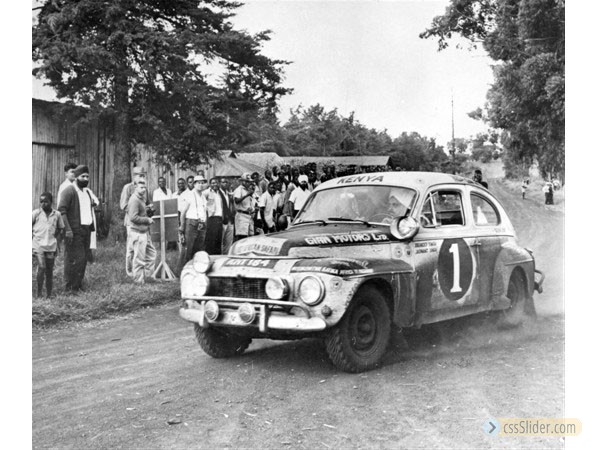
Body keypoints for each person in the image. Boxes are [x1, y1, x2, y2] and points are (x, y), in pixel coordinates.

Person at [58, 165, 95, 292]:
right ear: (76, 178)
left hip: (86, 231)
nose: (85, 179)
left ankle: (78, 286)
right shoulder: (69, 191)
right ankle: (70, 288)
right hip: (74, 231)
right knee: (73, 259)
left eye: (87, 177)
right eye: (82, 176)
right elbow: (61, 211)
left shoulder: (87, 192)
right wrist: (68, 230)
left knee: (83, 259)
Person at [33, 192, 64, 298]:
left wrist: (57, 241)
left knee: (49, 270)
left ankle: (49, 294)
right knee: (41, 267)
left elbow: (61, 228)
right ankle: (39, 293)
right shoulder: (36, 213)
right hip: (38, 245)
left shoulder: (57, 214)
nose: (43, 204)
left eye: (46, 201)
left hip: (51, 246)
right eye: (41, 201)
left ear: (51, 202)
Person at [120, 167, 150, 276]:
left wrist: (147, 209)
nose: (141, 177)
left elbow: (147, 203)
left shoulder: (145, 188)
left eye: (143, 175)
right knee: (131, 248)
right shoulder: (128, 187)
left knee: (142, 247)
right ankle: (129, 271)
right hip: (131, 222)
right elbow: (123, 205)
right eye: (139, 175)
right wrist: (134, 210)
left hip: (142, 222)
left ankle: (141, 270)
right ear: (134, 176)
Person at [127, 179, 157, 283]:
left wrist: (148, 209)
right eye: (141, 187)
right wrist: (147, 220)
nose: (144, 189)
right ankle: (138, 281)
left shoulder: (142, 198)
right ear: (135, 188)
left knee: (152, 254)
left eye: (145, 187)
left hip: (144, 232)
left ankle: (148, 277)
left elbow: (140, 213)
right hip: (138, 233)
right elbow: (133, 217)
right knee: (139, 259)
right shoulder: (134, 200)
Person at [178, 174, 208, 273]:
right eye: (198, 183)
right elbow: (183, 213)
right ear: (194, 184)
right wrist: (182, 226)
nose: (200, 185)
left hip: (201, 224)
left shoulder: (203, 196)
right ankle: (183, 271)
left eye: (202, 183)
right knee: (188, 249)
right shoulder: (190, 195)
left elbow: (204, 211)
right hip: (191, 223)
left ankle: (195, 271)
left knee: (199, 249)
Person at [204, 178, 226, 254]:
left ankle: (217, 257)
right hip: (212, 218)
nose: (215, 184)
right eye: (213, 183)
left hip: (219, 219)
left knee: (218, 240)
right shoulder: (207, 192)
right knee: (211, 240)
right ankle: (210, 256)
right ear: (210, 184)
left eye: (216, 183)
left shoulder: (219, 193)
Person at [233, 172, 256, 240]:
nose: (248, 183)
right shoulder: (239, 189)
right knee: (242, 238)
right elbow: (236, 200)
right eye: (246, 181)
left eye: (249, 182)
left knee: (250, 237)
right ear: (242, 181)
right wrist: (247, 195)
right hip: (241, 215)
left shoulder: (248, 190)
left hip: (249, 215)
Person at [219, 178, 235, 254]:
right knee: (221, 241)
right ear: (220, 183)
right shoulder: (218, 193)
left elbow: (231, 207)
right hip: (223, 220)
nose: (225, 184)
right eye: (223, 182)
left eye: (226, 182)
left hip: (230, 220)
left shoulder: (228, 194)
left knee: (229, 241)